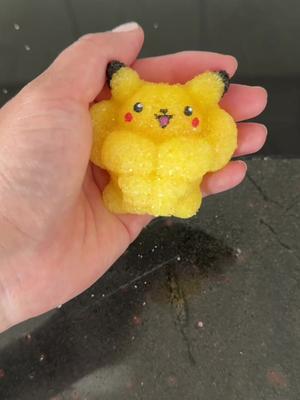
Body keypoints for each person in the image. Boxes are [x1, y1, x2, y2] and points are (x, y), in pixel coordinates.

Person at [0, 22, 267, 333]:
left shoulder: (202, 140)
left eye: (183, 114)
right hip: (121, 194)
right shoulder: (116, 138)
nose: (163, 117)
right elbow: (108, 148)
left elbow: (208, 153)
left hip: (179, 196)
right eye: (138, 108)